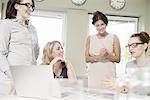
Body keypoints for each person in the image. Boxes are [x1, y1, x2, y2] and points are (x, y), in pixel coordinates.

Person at [0, 0, 39, 95]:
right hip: (9, 78)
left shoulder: (32, 29)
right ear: (16, 6)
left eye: (32, 6)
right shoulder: (6, 24)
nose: (30, 8)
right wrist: (12, 76)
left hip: (28, 78)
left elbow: (36, 52)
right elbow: (0, 53)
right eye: (27, 5)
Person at [85, 11, 121, 89]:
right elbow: (87, 59)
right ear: (94, 25)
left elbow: (118, 59)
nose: (100, 27)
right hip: (94, 75)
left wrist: (107, 56)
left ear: (106, 23)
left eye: (102, 24)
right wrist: (99, 57)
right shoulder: (90, 38)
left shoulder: (114, 37)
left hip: (109, 74)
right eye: (97, 25)